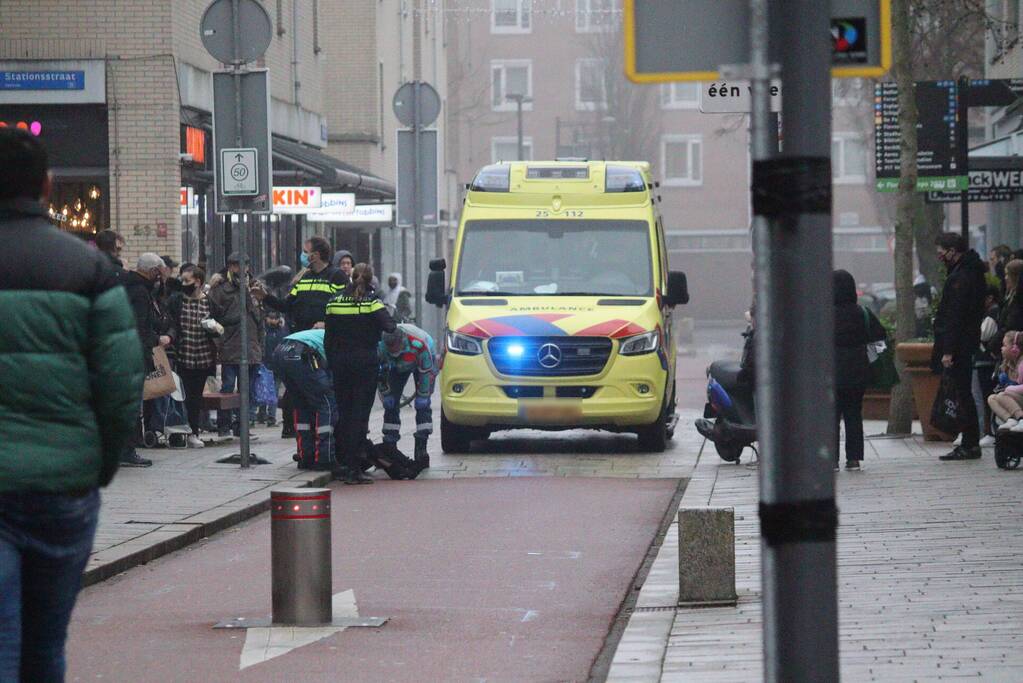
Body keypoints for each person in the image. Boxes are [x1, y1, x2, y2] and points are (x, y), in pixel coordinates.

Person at [0, 127, 144, 682]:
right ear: (46, 185)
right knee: (44, 645)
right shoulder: (86, 268)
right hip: (61, 487)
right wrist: (98, 464)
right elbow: (120, 382)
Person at [325, 263, 397, 485]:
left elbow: (328, 337)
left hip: (340, 364)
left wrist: (333, 361)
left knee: (344, 414)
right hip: (365, 365)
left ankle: (343, 462)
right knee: (360, 415)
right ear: (370, 280)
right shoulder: (372, 303)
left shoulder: (334, 302)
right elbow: (390, 326)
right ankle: (355, 468)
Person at [931, 233, 988, 461]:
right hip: (967, 341)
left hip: (959, 345)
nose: (940, 256)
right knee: (964, 393)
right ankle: (969, 442)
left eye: (941, 252)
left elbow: (954, 316)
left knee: (962, 394)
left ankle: (969, 443)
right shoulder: (972, 272)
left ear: (952, 251)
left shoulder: (960, 277)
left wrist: (948, 350)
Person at [121, 253, 172, 467]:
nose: (161, 277)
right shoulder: (140, 292)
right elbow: (139, 325)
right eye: (159, 272)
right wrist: (156, 339)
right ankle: (127, 450)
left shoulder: (129, 286)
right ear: (152, 271)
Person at [833, 269, 887, 471]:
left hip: (830, 372)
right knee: (853, 413)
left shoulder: (822, 314)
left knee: (831, 416)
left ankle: (831, 459)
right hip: (857, 370)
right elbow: (880, 334)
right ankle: (854, 458)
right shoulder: (862, 312)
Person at [207, 252, 265, 436]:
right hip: (230, 347)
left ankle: (242, 427)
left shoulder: (255, 287)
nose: (241, 269)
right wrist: (219, 343)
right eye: (237, 265)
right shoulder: (221, 289)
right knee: (227, 388)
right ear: (230, 267)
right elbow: (212, 318)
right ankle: (224, 426)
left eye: (244, 265)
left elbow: (260, 318)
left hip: (251, 347)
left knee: (247, 391)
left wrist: (260, 345)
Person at [273, 328, 337, 471]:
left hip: (280, 350)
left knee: (301, 403)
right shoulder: (342, 341)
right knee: (326, 402)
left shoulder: (325, 334)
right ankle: (325, 458)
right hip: (303, 352)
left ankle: (305, 457)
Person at [378, 323, 438, 471]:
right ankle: (390, 446)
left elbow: (426, 373)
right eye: (390, 349)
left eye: (395, 348)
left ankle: (421, 447)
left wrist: (423, 395)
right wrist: (386, 393)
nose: (393, 351)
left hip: (422, 362)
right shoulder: (380, 347)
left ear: (402, 341)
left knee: (423, 405)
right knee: (391, 405)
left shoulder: (419, 345)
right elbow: (379, 373)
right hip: (396, 367)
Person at [170, 265, 218, 448]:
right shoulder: (177, 300)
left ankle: (193, 432)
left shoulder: (208, 302)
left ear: (198, 282)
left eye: (187, 280)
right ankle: (178, 433)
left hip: (202, 356)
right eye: (182, 280)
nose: (184, 284)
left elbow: (221, 321)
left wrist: (215, 328)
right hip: (182, 356)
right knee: (179, 396)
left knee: (195, 397)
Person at [258, 237, 347, 332]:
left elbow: (346, 309)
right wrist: (265, 296)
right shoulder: (305, 277)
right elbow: (286, 305)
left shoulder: (337, 276)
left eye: (305, 252)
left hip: (324, 336)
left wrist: (327, 324)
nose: (302, 255)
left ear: (315, 255)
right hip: (301, 335)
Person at [986, 331, 1023, 433]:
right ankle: (1010, 419)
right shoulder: (1008, 363)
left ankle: (1021, 418)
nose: (1001, 348)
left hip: (1018, 395)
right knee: (991, 398)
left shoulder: (1022, 364)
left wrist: (1010, 389)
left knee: (1002, 395)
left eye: (1004, 345)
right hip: (1016, 396)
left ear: (1015, 349)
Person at [258, 311, 288, 427]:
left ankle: (268, 416)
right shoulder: (280, 331)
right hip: (270, 365)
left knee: (268, 391)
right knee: (270, 391)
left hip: (272, 365)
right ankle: (268, 416)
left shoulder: (267, 331)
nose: (273, 320)